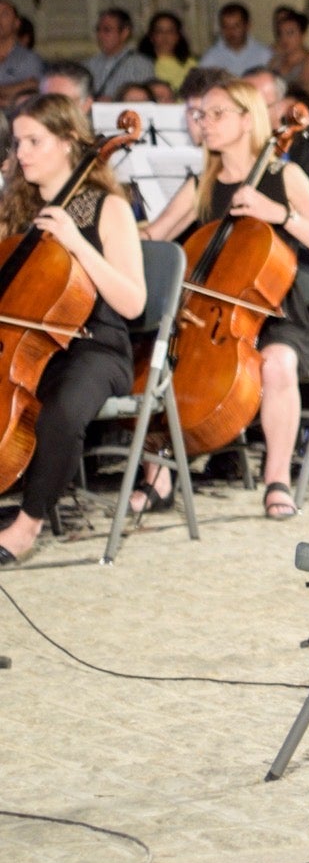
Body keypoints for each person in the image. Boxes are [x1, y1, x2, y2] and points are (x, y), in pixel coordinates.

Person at [137, 78, 309, 519]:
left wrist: (280, 215)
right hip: (207, 315)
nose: (204, 124)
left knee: (278, 363)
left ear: (247, 120)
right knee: (158, 358)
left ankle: (277, 480)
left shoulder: (283, 175)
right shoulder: (203, 183)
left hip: (274, 314)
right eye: (200, 115)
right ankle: (158, 478)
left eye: (216, 114)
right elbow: (154, 235)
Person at [0, 96, 148, 564]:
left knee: (60, 412)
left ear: (68, 143)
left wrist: (75, 243)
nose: (21, 152)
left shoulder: (108, 209)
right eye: (17, 141)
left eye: (33, 141)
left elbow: (132, 301)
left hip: (95, 348)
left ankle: (27, 526)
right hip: (28, 342)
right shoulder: (17, 205)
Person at [84, 8, 154, 99]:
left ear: (124, 33)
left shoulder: (142, 65)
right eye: (98, 30)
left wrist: (114, 103)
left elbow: (146, 101)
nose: (100, 35)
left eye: (107, 30)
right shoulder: (89, 65)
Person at [198, 2, 272, 75]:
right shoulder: (211, 57)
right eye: (226, 27)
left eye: (236, 26)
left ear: (248, 26)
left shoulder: (264, 54)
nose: (231, 31)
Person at [0, 0, 45, 100]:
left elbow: (32, 94)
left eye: (5, 14)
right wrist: (20, 86)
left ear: (16, 23)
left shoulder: (29, 59)